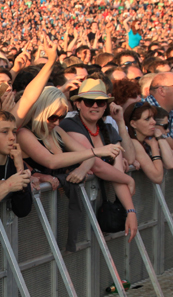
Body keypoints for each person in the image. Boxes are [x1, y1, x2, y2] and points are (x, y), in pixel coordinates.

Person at [59, 79, 139, 241]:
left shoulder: (108, 128)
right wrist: (128, 179)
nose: (95, 106)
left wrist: (131, 211)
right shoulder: (69, 125)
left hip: (98, 207)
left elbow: (125, 162)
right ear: (78, 104)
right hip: (68, 207)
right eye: (89, 101)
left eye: (100, 102)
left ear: (106, 106)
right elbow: (98, 166)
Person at [124, 101, 173, 184]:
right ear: (133, 124)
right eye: (147, 119)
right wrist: (154, 147)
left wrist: (160, 136)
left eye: (153, 118)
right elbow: (157, 177)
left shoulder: (147, 140)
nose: (154, 122)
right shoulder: (133, 143)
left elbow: (170, 164)